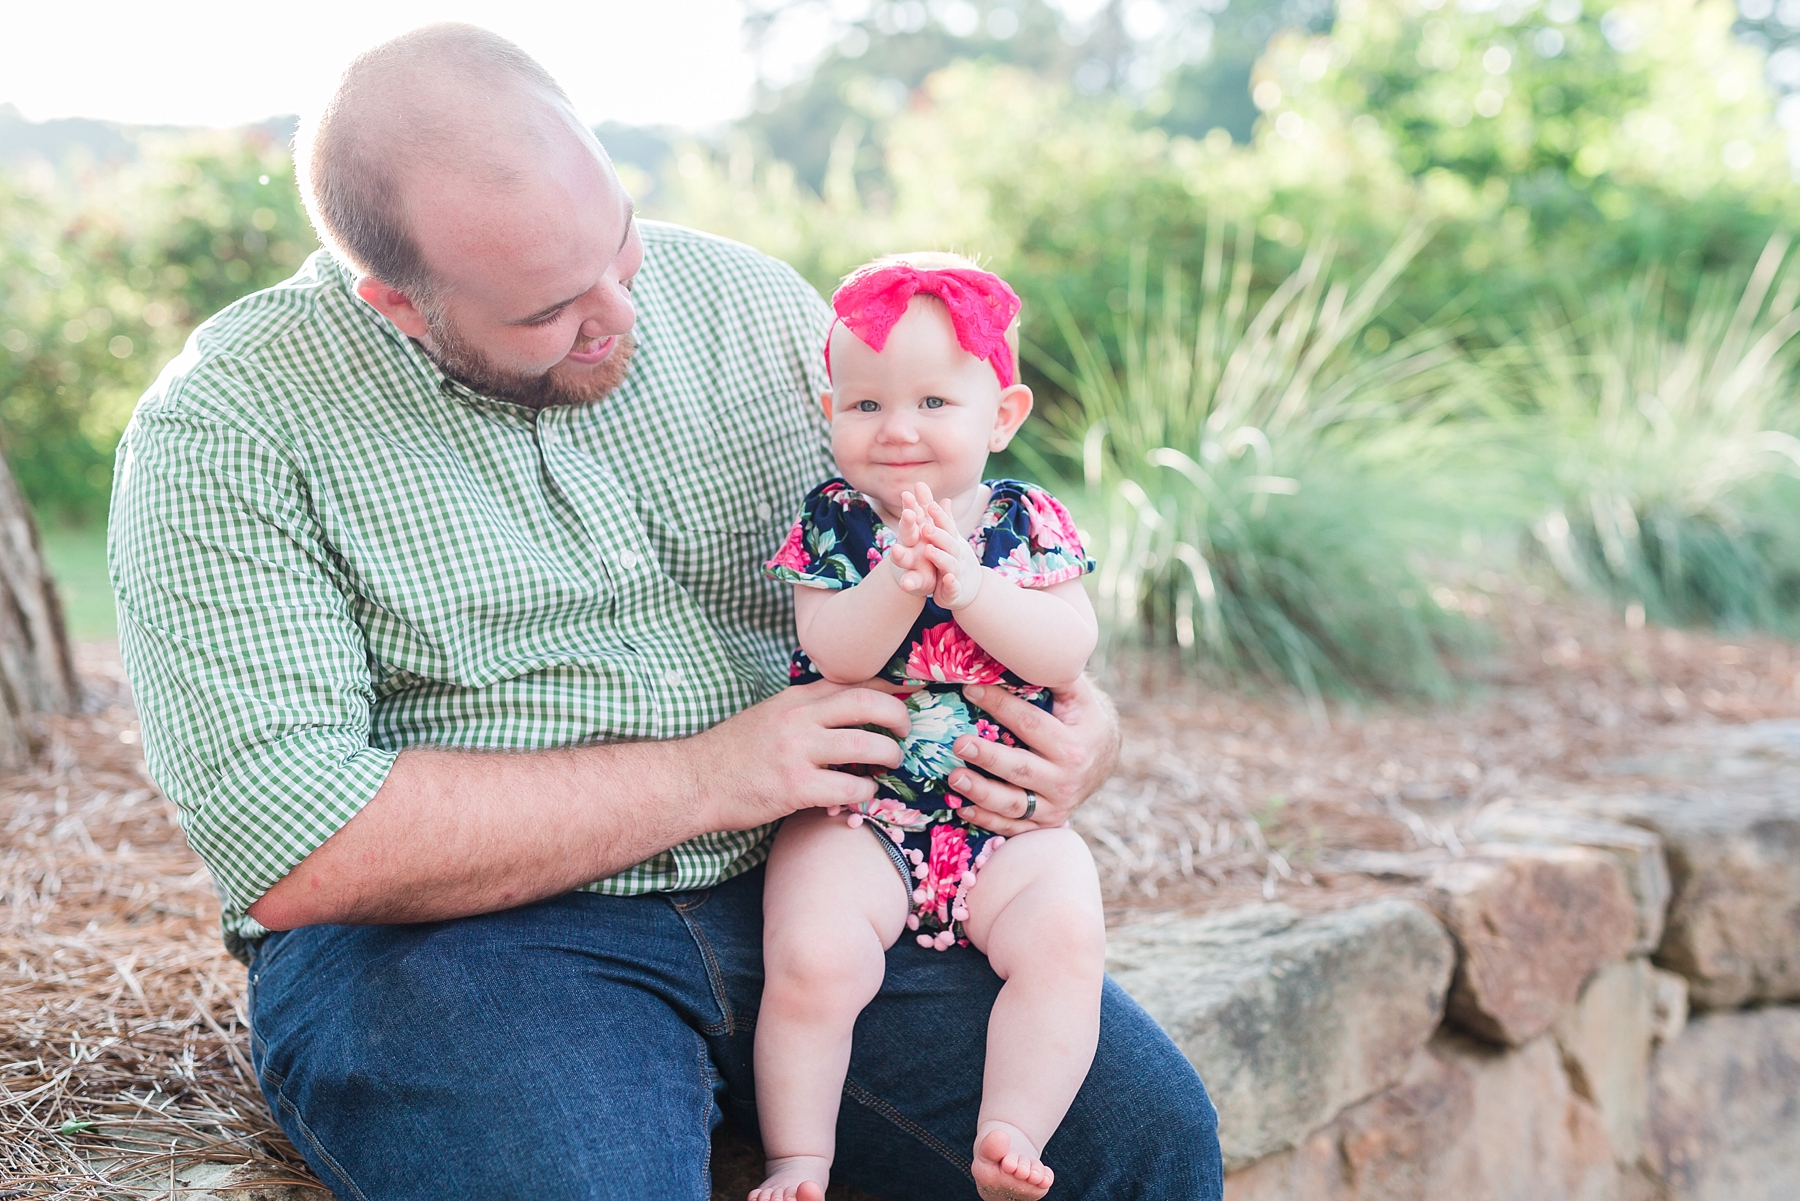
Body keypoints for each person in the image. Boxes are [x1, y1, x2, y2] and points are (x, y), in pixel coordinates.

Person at [107, 22, 1224, 1201]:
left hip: (849, 861)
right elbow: (294, 839)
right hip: (468, 943)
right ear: (398, 301)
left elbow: (951, 542)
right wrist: (712, 776)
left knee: (1137, 1143)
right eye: (550, 312)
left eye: (621, 250)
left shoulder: (749, 304)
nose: (620, 315)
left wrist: (1080, 726)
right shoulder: (225, 430)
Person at [752, 255, 1104, 1201]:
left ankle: (1011, 1131)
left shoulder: (1026, 522)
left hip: (1004, 829)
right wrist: (896, 581)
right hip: (860, 821)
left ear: (1003, 415)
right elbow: (834, 653)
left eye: (934, 403)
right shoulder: (835, 523)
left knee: (1066, 936)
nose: (896, 428)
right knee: (812, 956)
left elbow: (1066, 651)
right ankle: (799, 1160)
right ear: (830, 412)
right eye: (863, 405)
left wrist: (970, 586)